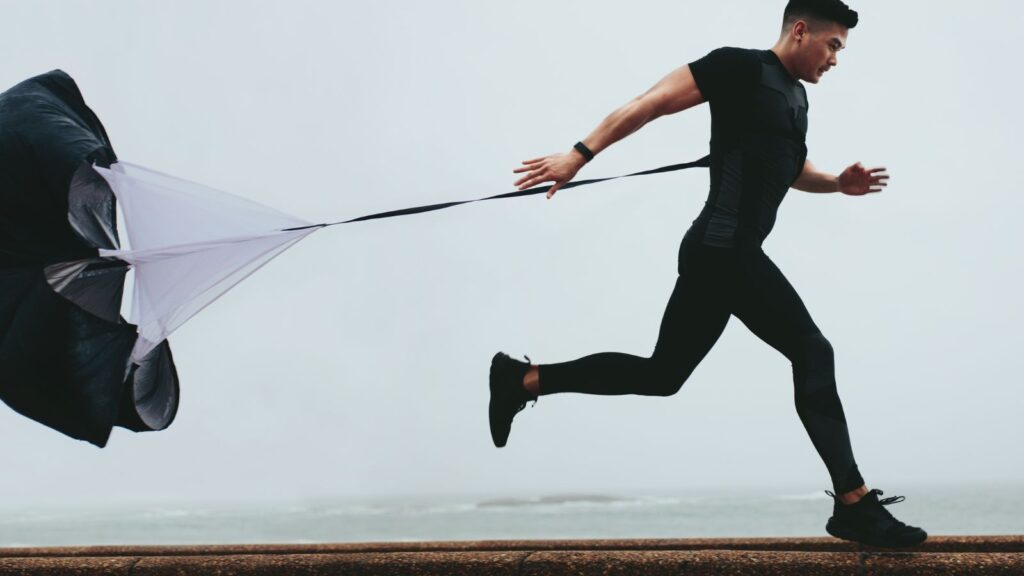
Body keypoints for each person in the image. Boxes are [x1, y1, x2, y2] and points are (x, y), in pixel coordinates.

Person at [489, 0, 927, 548]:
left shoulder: (797, 100)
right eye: (833, 45)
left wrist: (838, 182)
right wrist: (580, 154)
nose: (836, 59)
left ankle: (523, 379)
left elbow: (792, 172)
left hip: (716, 256)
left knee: (661, 376)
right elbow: (651, 103)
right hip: (725, 250)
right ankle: (854, 502)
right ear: (800, 30)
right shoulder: (738, 67)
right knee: (813, 351)